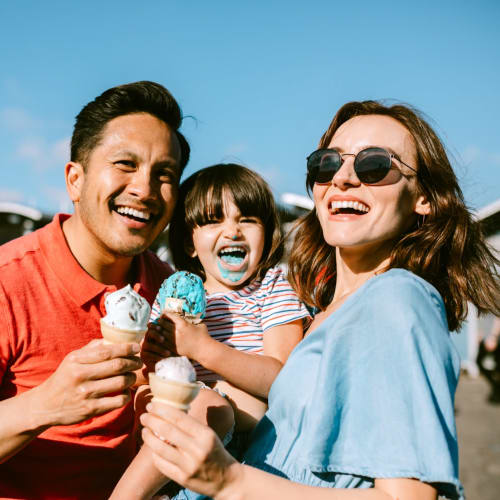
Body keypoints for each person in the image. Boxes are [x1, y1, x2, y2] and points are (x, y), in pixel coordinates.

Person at [139, 100, 500, 500]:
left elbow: (409, 498)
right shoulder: (324, 313)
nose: (343, 178)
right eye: (328, 164)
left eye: (374, 164)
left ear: (424, 198)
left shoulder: (398, 298)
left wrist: (230, 482)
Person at [0, 81, 190, 499]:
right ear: (75, 180)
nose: (144, 189)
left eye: (165, 174)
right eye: (125, 164)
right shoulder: (8, 282)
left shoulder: (168, 291)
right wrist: (46, 404)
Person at [111, 164, 310, 499]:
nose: (232, 231)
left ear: (268, 232)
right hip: (173, 447)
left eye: (246, 219)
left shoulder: (273, 288)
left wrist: (202, 349)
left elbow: (282, 379)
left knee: (206, 403)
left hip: (246, 450)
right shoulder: (172, 295)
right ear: (190, 242)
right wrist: (153, 359)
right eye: (213, 219)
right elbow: (146, 381)